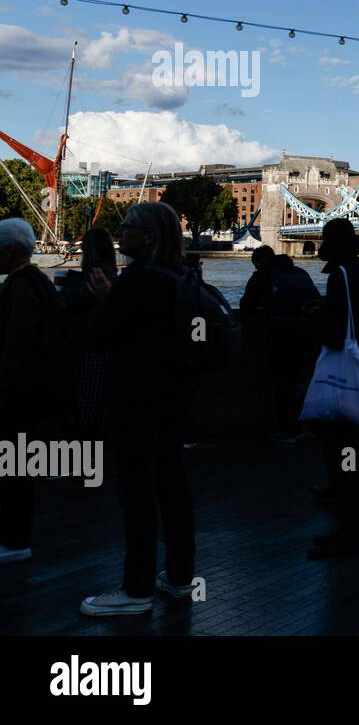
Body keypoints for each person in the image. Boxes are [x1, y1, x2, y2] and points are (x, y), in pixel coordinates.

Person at [81, 203, 196, 614]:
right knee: (173, 489)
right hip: (174, 398)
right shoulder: (181, 275)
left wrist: (104, 300)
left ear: (146, 237)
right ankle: (181, 578)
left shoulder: (137, 280)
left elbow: (100, 337)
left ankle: (136, 589)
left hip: (136, 400)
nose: (120, 232)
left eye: (126, 227)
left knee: (137, 495)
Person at [309, 218, 359, 558]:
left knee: (343, 456)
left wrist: (316, 316)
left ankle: (346, 530)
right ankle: (354, 521)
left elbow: (335, 332)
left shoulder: (341, 276)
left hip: (345, 380)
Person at [0, 219, 66, 565]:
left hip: (17, 393)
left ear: (9, 251)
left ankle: (14, 539)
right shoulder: (40, 282)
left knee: (12, 470)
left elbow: (15, 343)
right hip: (37, 390)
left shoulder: (18, 288)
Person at [60, 226, 118, 438]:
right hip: (101, 347)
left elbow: (80, 304)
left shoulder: (94, 274)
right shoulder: (111, 273)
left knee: (86, 404)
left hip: (90, 347)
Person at [266, 253, 321, 443]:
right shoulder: (303, 275)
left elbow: (250, 304)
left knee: (283, 385)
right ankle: (308, 426)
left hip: (282, 337)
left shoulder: (273, 278)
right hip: (306, 335)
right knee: (303, 382)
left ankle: (288, 429)